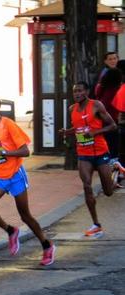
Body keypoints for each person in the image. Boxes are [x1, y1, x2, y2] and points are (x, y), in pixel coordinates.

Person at [0, 95, 55, 266]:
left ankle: (46, 245)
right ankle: (11, 231)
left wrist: (4, 154)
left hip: (14, 175)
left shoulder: (8, 125)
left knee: (25, 215)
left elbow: (25, 152)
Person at [60, 82, 116, 237]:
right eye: (74, 92)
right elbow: (78, 129)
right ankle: (96, 224)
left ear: (86, 92)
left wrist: (95, 132)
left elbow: (112, 126)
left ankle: (114, 170)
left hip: (100, 151)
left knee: (108, 191)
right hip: (84, 154)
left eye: (79, 91)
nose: (76, 94)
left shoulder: (96, 105)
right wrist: (67, 132)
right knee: (87, 185)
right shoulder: (72, 109)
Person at [94, 68, 122, 159]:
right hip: (113, 120)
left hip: (101, 121)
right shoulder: (115, 90)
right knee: (113, 147)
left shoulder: (100, 87)